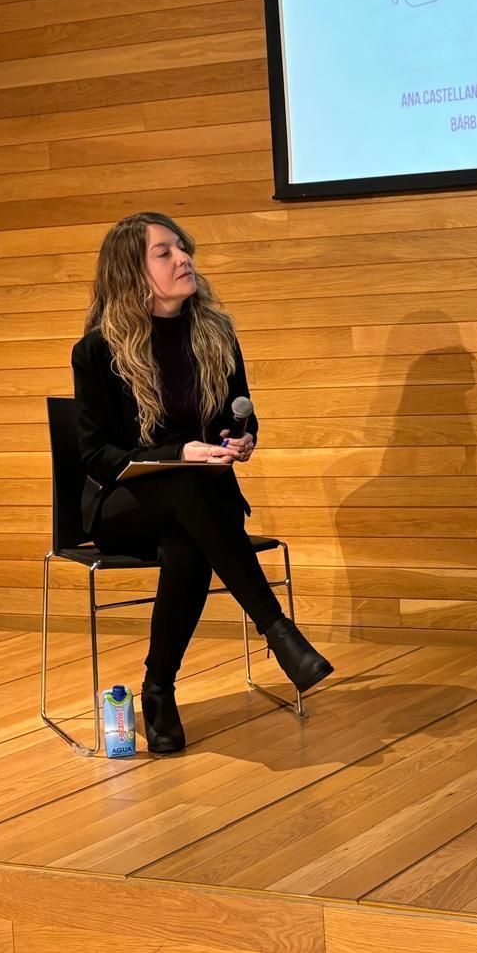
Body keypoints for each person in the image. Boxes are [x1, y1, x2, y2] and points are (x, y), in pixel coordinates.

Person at [71, 213, 334, 755]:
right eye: (163, 253)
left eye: (181, 248)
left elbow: (241, 414)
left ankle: (158, 689)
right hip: (122, 507)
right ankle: (276, 629)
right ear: (131, 272)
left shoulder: (215, 334)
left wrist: (240, 440)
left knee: (189, 540)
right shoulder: (97, 351)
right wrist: (177, 454)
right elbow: (97, 456)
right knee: (188, 487)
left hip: (197, 508)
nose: (183, 258)